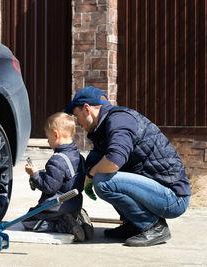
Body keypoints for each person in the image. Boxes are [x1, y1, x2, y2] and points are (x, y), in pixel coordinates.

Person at [64, 85, 192, 247]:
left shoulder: (119, 120)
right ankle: (134, 224)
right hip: (156, 191)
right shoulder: (103, 126)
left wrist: (91, 175)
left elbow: (114, 161)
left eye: (76, 116)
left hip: (173, 198)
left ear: (87, 109)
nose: (78, 124)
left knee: (103, 181)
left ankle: (153, 226)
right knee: (94, 159)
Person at [23, 112, 93, 242]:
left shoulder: (56, 160)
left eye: (48, 137)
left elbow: (49, 187)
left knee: (28, 220)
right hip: (75, 203)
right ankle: (80, 219)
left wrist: (35, 175)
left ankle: (62, 226)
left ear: (56, 134)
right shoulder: (79, 156)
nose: (48, 141)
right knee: (64, 213)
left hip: (58, 204)